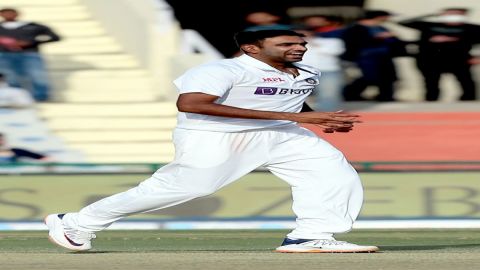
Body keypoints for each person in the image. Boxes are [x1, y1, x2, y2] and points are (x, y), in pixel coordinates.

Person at [44, 30, 378, 253]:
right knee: (188, 188)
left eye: (300, 44)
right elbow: (190, 104)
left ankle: (311, 236)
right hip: (215, 136)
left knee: (332, 172)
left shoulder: (307, 71)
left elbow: (286, 101)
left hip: (283, 134)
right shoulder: (222, 70)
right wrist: (300, 118)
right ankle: (75, 223)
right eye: (286, 44)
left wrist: (317, 118)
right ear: (251, 48)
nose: (298, 48)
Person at [398, 7, 480, 101]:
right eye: (450, 14)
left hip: (459, 59)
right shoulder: (429, 25)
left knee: (467, 84)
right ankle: (431, 105)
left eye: (457, 14)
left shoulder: (472, 28)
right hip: (430, 60)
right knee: (431, 84)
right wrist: (431, 15)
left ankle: (467, 105)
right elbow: (402, 22)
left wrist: (477, 57)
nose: (454, 16)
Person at [341, 10, 406, 101]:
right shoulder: (355, 28)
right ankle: (350, 95)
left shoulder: (381, 27)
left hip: (384, 57)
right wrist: (376, 38)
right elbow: (354, 43)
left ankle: (386, 97)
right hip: (366, 57)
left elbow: (394, 41)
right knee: (369, 77)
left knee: (388, 78)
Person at [0, 7, 60, 101]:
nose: (8, 15)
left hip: (29, 54)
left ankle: (41, 98)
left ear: (17, 14)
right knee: (11, 78)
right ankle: (16, 99)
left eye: (10, 12)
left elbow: (55, 37)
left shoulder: (33, 26)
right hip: (5, 55)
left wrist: (31, 42)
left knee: (37, 75)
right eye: (5, 13)